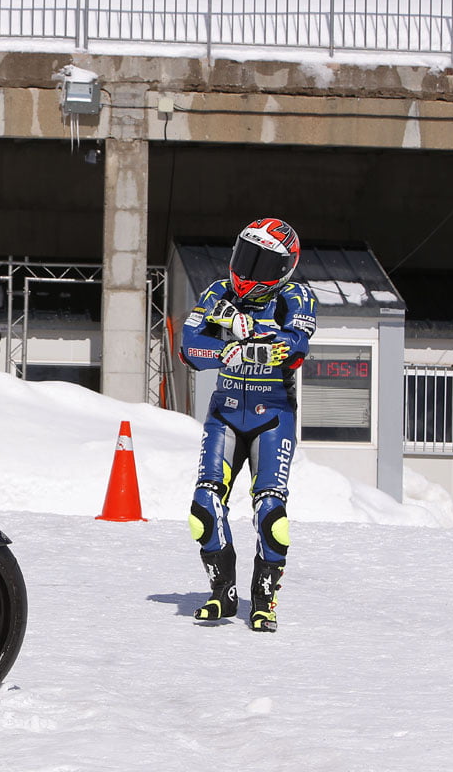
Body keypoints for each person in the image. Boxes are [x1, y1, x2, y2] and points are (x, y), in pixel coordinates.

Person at [179, 217, 317, 632]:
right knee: (203, 507)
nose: (247, 270)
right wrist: (227, 350)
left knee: (272, 513)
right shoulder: (217, 292)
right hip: (224, 413)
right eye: (245, 255)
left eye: (261, 262)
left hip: (272, 417)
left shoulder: (296, 296)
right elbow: (189, 347)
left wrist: (248, 331)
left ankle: (264, 601)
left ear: (283, 268)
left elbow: (294, 347)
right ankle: (222, 592)